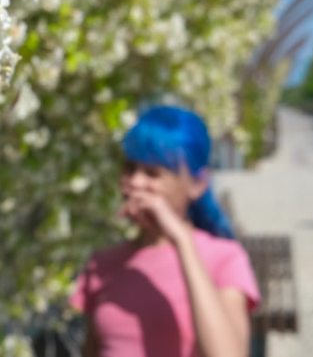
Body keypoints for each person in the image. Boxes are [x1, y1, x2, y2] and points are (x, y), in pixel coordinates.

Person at [70, 105, 259, 357]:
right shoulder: (104, 263)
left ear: (197, 184)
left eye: (152, 173)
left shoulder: (223, 259)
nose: (136, 183)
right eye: (130, 168)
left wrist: (182, 241)